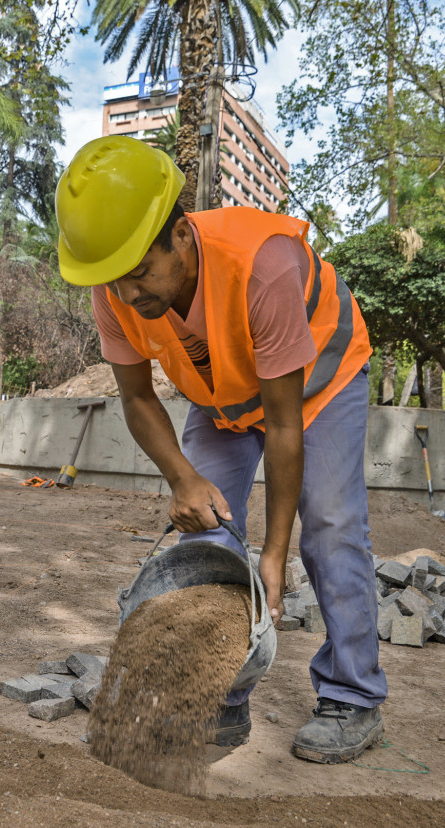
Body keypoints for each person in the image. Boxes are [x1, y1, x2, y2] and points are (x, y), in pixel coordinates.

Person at [55, 136, 385, 764]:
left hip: (316, 384)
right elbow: (138, 399)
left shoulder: (263, 265)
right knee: (205, 536)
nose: (129, 296)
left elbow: (285, 426)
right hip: (222, 391)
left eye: (140, 274)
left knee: (331, 525)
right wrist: (183, 480)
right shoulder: (113, 284)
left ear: (181, 235)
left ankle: (353, 695)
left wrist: (274, 554)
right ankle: (221, 700)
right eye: (114, 282)